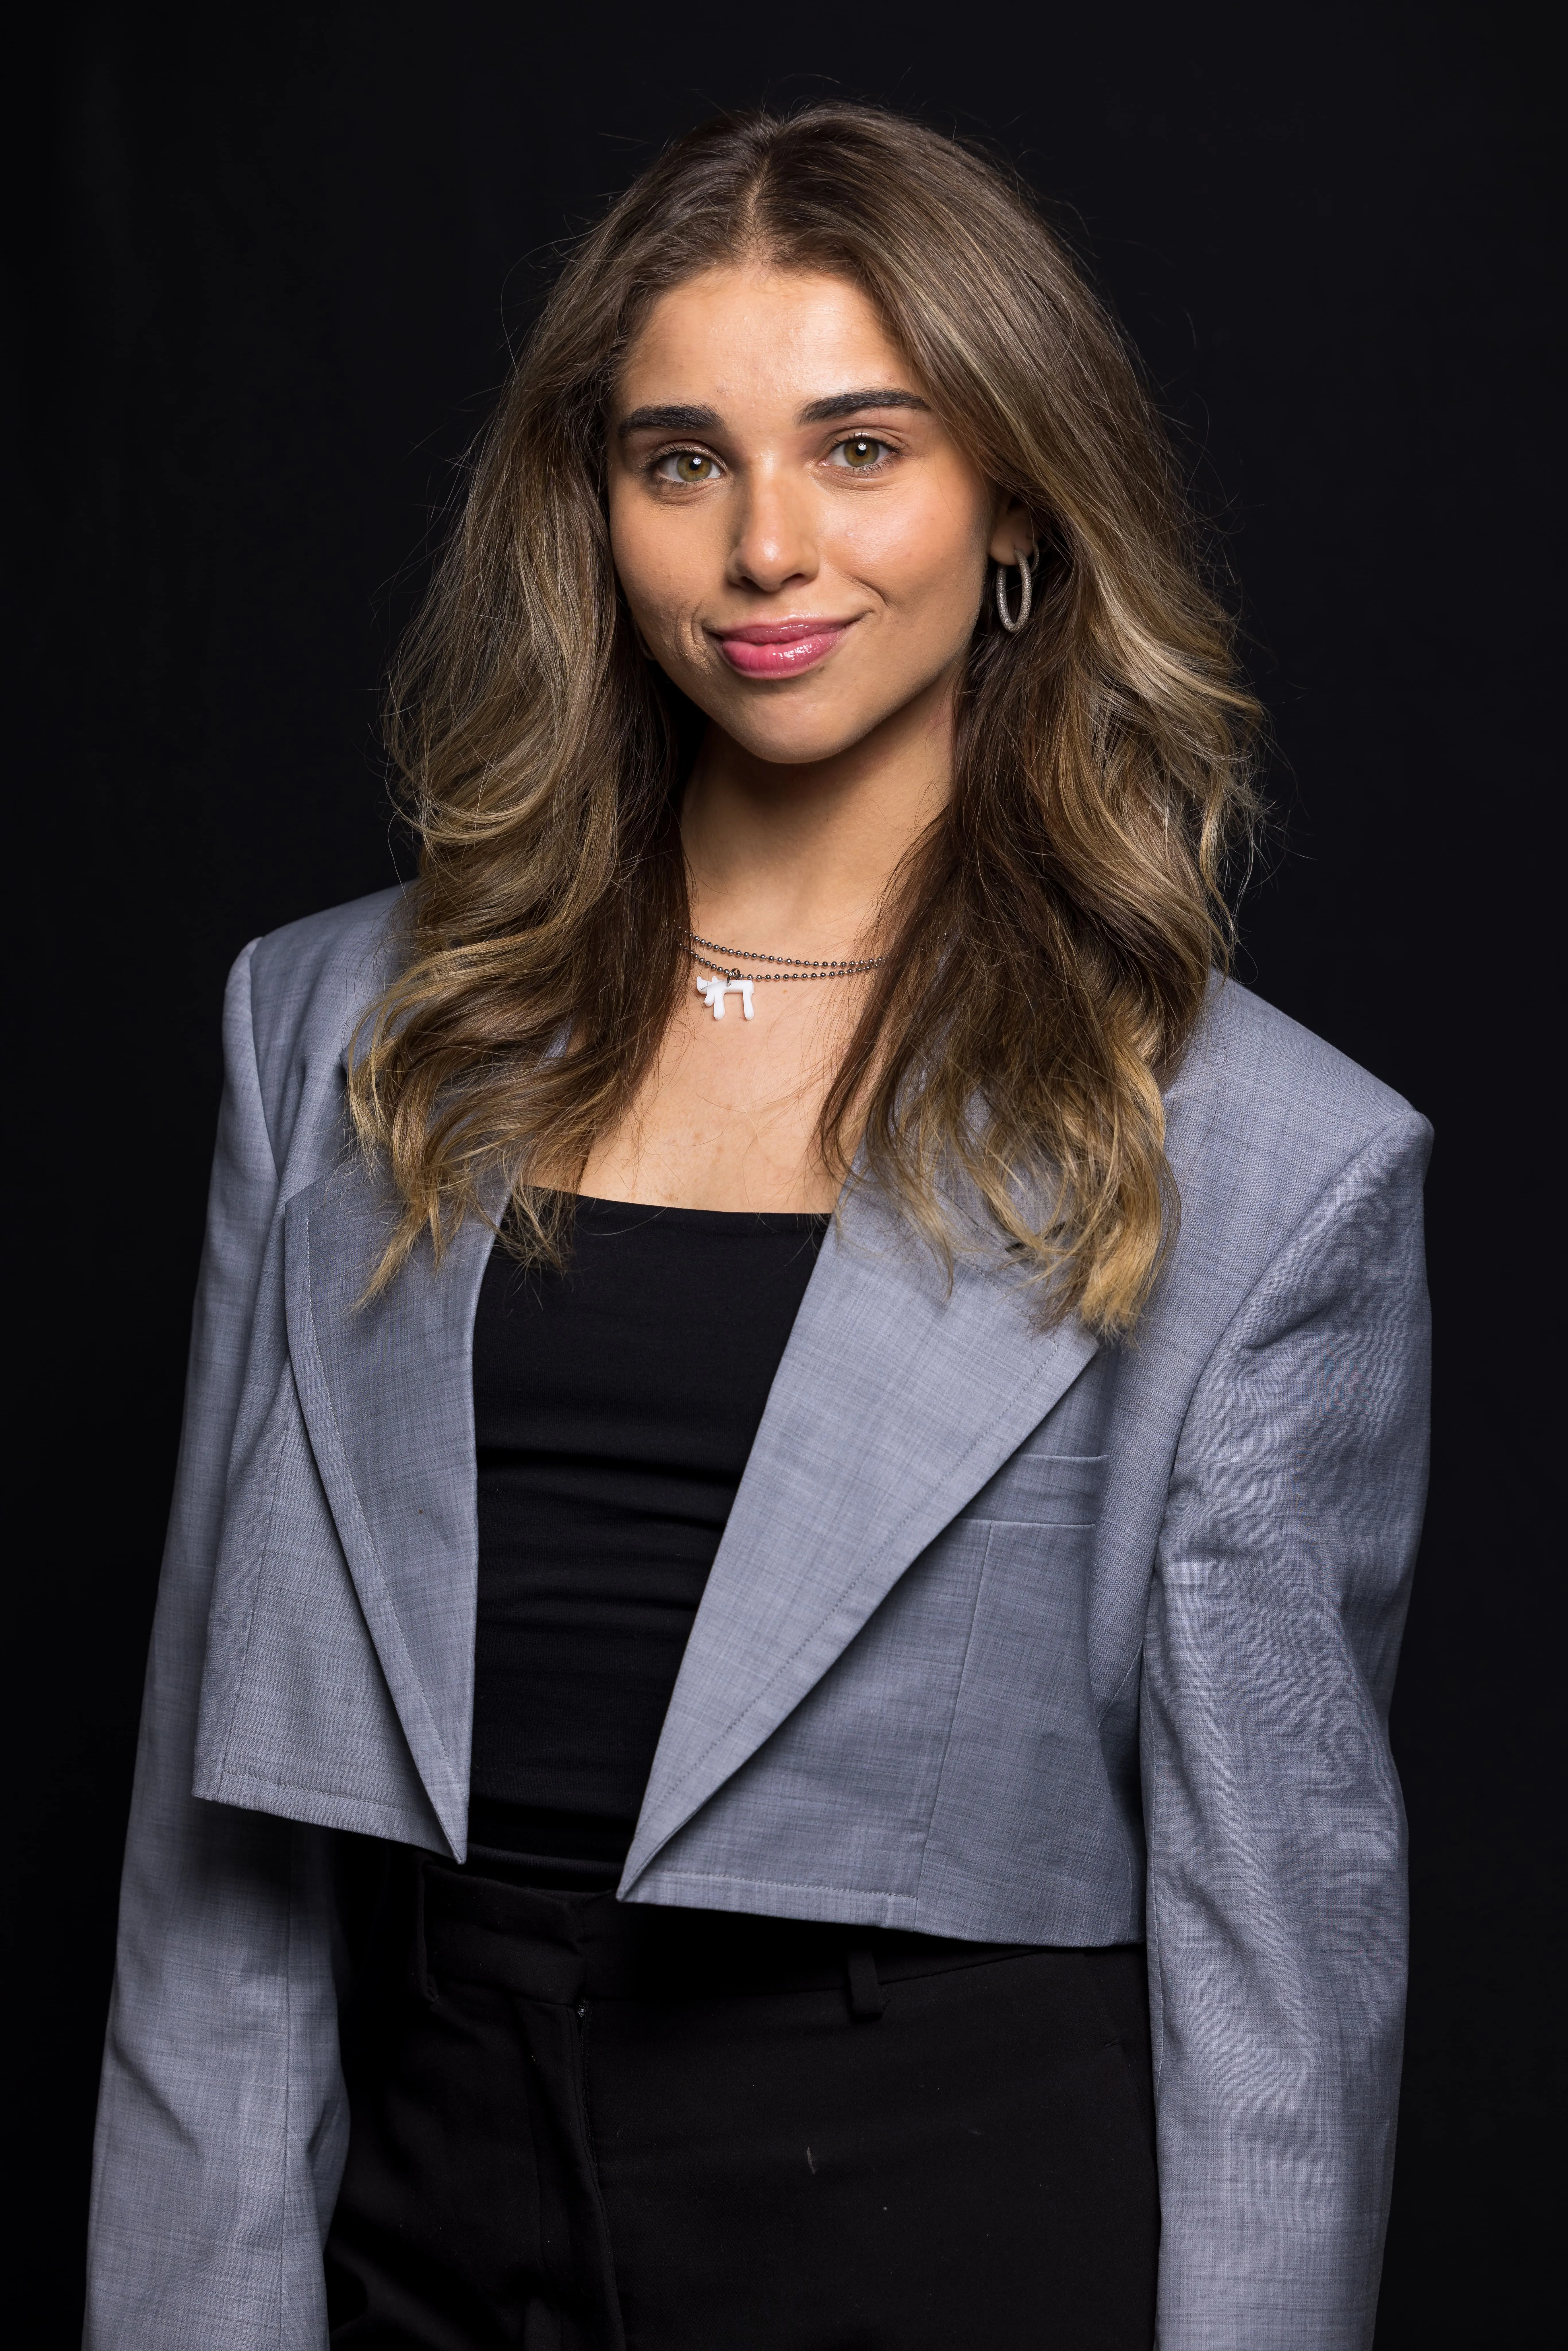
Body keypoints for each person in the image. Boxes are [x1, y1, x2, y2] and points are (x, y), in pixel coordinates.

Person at [86, 104, 1430, 2351]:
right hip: (433, 2214)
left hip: (952, 2229)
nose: (764, 546)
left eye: (859, 447)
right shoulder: (323, 1028)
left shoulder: (1261, 1154)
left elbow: (1281, 2012)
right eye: (679, 459)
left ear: (1012, 500)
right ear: (590, 514)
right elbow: (213, 1881)